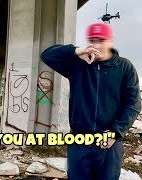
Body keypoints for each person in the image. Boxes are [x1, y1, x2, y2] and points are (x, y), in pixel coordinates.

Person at [41, 23, 141, 179]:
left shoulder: (124, 67)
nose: (96, 45)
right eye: (92, 40)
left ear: (110, 41)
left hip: (109, 145)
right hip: (79, 142)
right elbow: (47, 55)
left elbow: (133, 104)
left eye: (101, 40)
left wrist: (115, 133)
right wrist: (76, 51)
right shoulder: (77, 65)